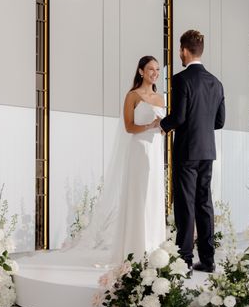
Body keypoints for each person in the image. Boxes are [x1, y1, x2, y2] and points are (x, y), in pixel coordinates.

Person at [60, 56, 166, 266]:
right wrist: (150, 125)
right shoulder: (133, 96)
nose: (154, 73)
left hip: (155, 150)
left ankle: (154, 248)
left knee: (153, 196)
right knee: (138, 196)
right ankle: (136, 249)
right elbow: (129, 127)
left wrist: (161, 128)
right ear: (141, 71)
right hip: (139, 149)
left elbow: (162, 128)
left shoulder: (161, 98)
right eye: (150, 69)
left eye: (157, 69)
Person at [160, 30, 225, 273]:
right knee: (204, 204)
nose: (179, 54)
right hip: (207, 151)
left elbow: (178, 117)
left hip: (186, 150)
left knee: (185, 204)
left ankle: (184, 260)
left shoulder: (181, 79)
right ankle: (208, 260)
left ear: (184, 50)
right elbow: (219, 121)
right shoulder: (216, 82)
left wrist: (160, 126)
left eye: (179, 50)